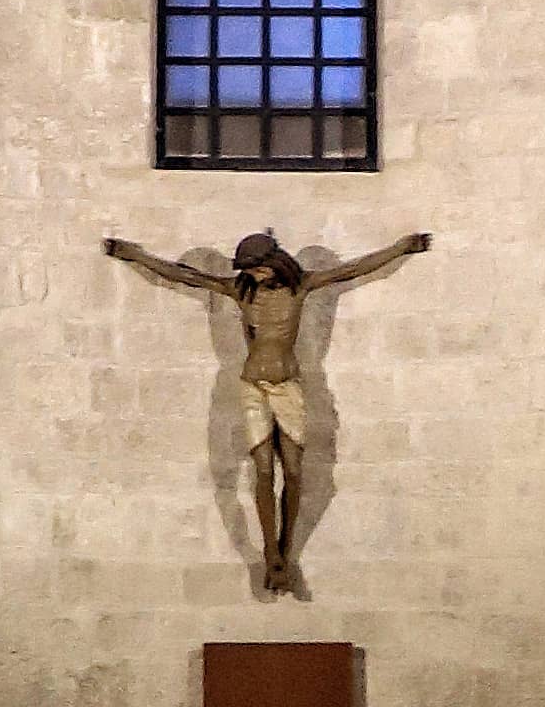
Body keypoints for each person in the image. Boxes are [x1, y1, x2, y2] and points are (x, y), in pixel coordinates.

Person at [105, 223, 431, 591]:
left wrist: (402, 247)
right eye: (250, 271)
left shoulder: (301, 286)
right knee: (263, 471)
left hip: (287, 388)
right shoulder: (240, 291)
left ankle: (287, 551)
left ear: (275, 262)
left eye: (259, 269)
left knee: (293, 470)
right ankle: (269, 554)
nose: (256, 276)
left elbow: (353, 268)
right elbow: (184, 275)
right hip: (253, 388)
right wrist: (134, 255)